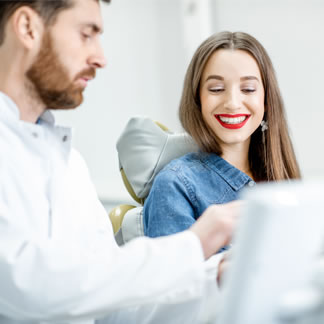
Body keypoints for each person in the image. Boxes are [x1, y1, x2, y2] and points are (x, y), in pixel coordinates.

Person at [0, 1, 241, 323]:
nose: (100, 57)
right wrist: (196, 243)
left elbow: (113, 306)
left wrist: (218, 278)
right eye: (87, 35)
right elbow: (25, 285)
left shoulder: (69, 164)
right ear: (28, 27)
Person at [143, 31, 301, 240]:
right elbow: (171, 272)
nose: (233, 103)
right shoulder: (175, 185)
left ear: (266, 100)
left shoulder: (281, 176)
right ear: (198, 99)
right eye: (217, 89)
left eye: (248, 88)